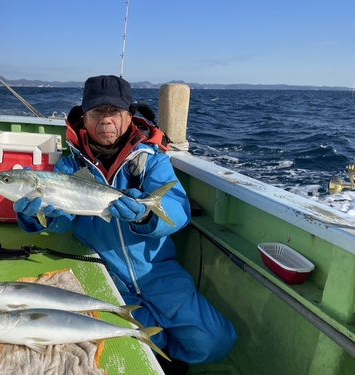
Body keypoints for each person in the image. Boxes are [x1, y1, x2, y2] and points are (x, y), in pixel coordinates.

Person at [13, 75, 237, 373]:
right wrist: (36, 215)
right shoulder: (69, 166)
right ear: (84, 118)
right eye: (96, 113)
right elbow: (62, 219)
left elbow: (177, 209)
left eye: (114, 112)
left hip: (158, 270)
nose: (105, 120)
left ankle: (169, 355)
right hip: (106, 275)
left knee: (215, 341)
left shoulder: (151, 159)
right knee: (130, 350)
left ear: (129, 116)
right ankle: (161, 358)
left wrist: (144, 216)